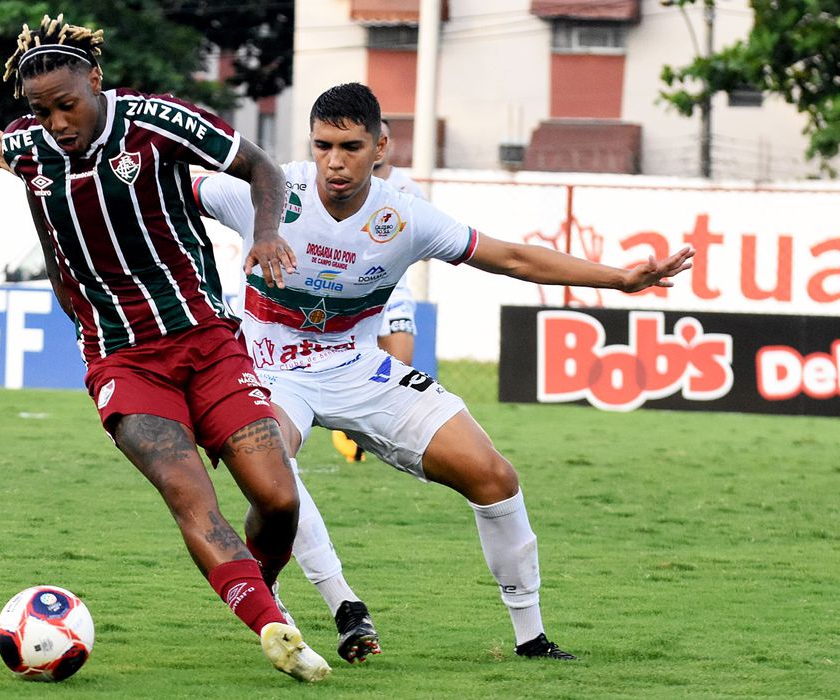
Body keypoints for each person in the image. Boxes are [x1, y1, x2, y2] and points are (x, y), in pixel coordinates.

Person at [192, 82, 694, 664]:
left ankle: (532, 639)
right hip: (270, 367)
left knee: (493, 475)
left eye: (351, 146)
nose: (335, 160)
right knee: (272, 468)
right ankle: (332, 602)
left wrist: (620, 279)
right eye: (323, 144)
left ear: (381, 145)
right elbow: (163, 181)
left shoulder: (404, 216)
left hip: (358, 366)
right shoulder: (267, 191)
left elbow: (512, 257)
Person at [0, 14, 330, 682]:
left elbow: (262, 167)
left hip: (207, 342)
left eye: (67, 105)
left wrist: (269, 233)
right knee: (191, 497)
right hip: (124, 362)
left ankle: (258, 588)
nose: (57, 123)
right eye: (40, 112)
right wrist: (76, 316)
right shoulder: (27, 148)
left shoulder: (160, 122)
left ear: (95, 80)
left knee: (278, 500)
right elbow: (48, 229)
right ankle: (271, 625)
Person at [332, 118, 420, 462]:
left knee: (400, 366)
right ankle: (343, 424)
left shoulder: (406, 187)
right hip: (350, 290)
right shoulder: (340, 187)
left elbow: (421, 239)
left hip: (394, 289)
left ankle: (373, 432)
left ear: (386, 144)